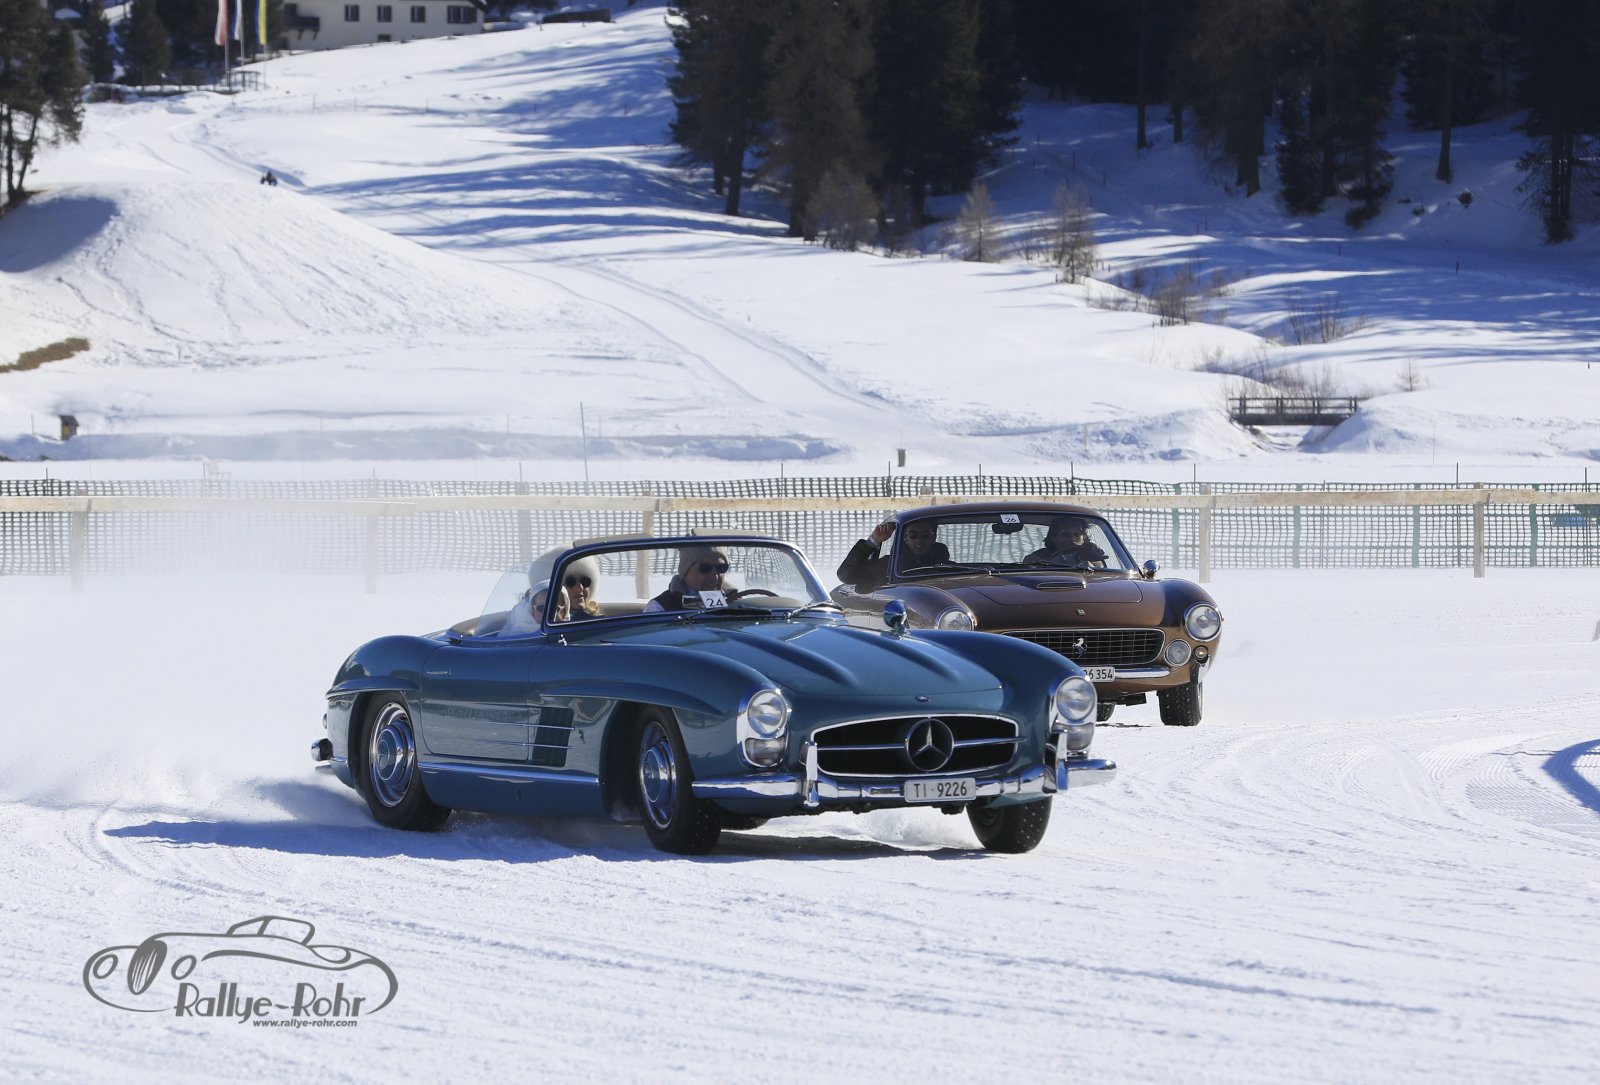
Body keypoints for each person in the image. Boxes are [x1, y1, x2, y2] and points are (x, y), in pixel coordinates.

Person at [836, 519, 950, 591]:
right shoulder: (887, 566)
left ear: (933, 538)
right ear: (905, 538)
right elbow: (846, 575)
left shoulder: (949, 569)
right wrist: (872, 541)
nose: (918, 540)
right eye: (913, 535)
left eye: (925, 535)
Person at [645, 546, 736, 612]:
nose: (714, 577)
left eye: (721, 568)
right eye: (705, 568)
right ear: (685, 572)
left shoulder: (736, 602)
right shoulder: (660, 608)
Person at [1025, 516, 1108, 568]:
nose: (1072, 539)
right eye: (1065, 534)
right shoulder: (1036, 558)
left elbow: (1100, 581)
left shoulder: (1093, 559)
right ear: (1054, 537)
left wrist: (1088, 559)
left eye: (1077, 534)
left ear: (1084, 538)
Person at [554, 554, 603, 620]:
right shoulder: (551, 621)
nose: (580, 588)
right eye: (571, 582)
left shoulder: (599, 621)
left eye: (585, 582)